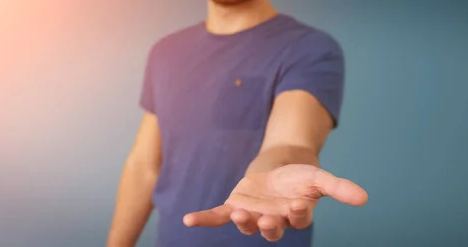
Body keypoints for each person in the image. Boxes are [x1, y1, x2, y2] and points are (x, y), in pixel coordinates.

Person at [106, 0, 368, 246]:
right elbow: (144, 165)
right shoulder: (165, 52)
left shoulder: (310, 48)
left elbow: (290, 143)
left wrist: (274, 172)